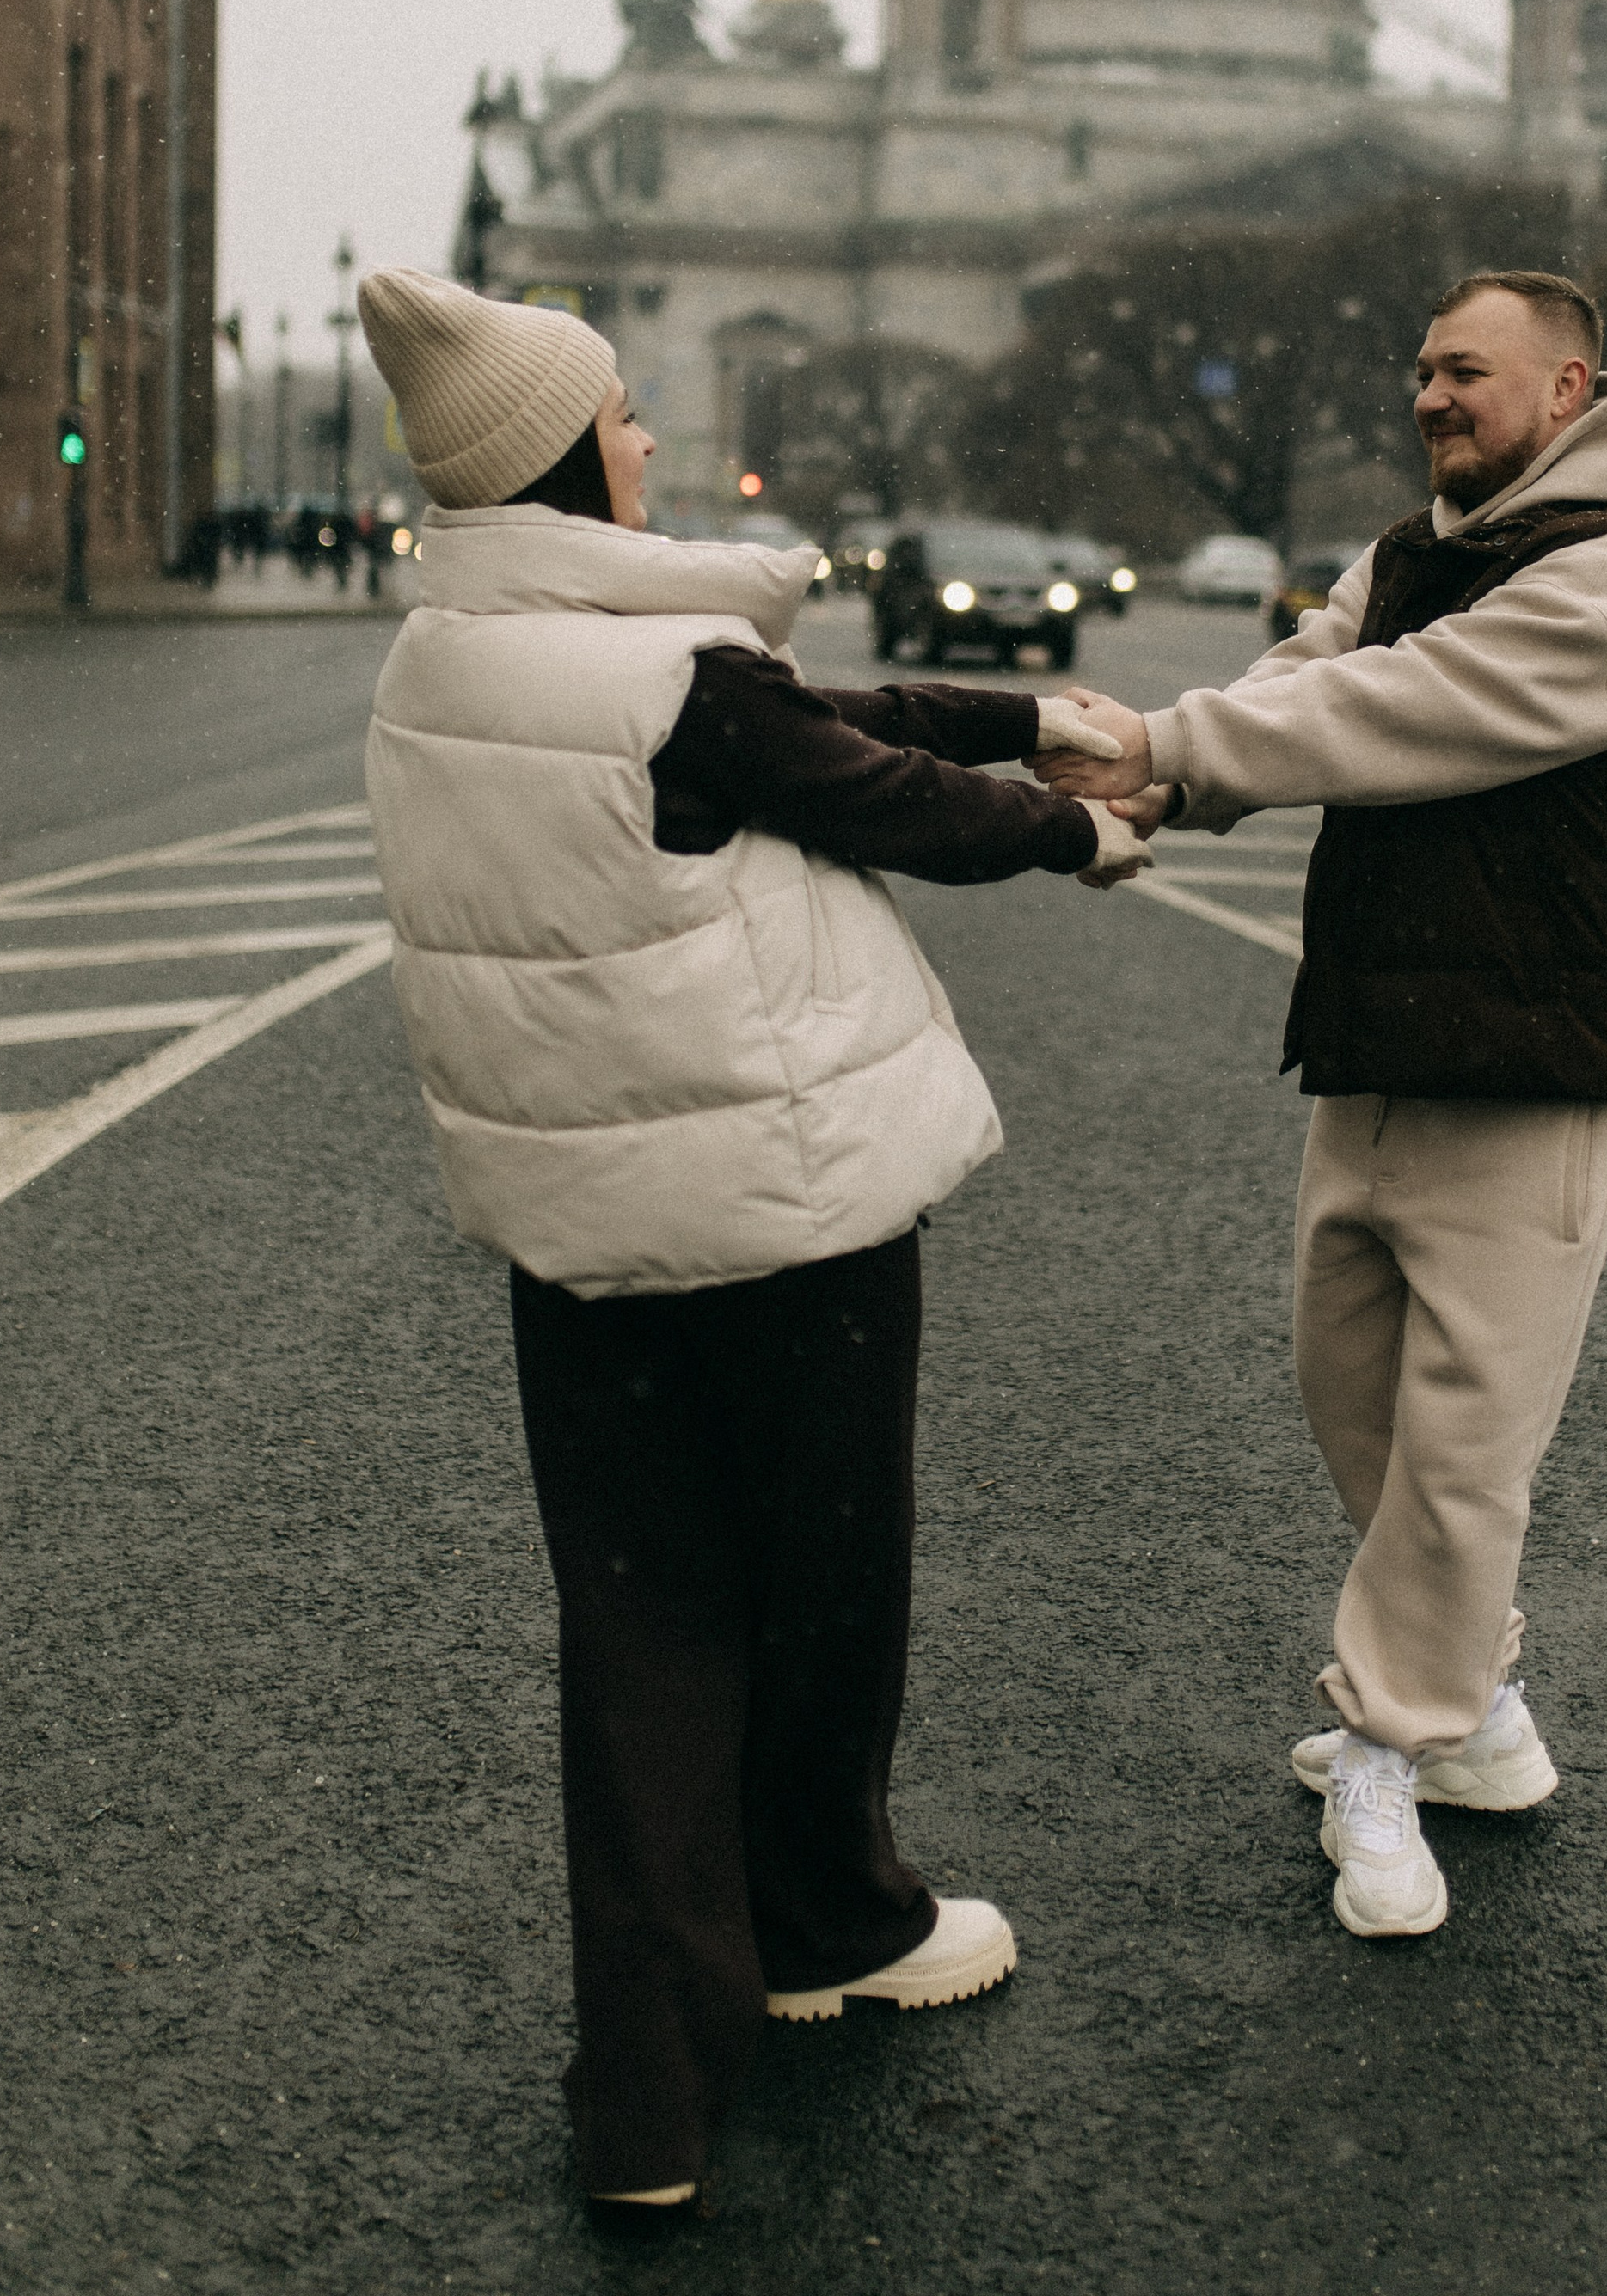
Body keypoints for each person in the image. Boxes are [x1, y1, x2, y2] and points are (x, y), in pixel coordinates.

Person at [355, 267, 1150, 2217]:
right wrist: (1072, 826)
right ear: (558, 450)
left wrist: (1028, 707)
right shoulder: (665, 678)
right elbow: (861, 783)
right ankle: (828, 1920)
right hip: (780, 1218)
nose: (642, 439)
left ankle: (642, 2093)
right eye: (617, 416)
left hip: (578, 1235)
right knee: (822, 1590)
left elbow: (802, 715)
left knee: (639, 1629)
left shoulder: (446, 658)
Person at [1036, 270, 1607, 1941]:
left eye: (1464, 371)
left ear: (1568, 388)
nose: (1430, 395)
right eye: (1418, 368)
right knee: (1350, 1385)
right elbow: (1308, 671)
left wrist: (1161, 738)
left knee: (1465, 1437)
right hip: (1386, 1028)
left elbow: (1394, 705)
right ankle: (1473, 1708)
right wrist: (1162, 774)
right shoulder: (1416, 548)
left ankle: (1385, 1741)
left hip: (1541, 1056)